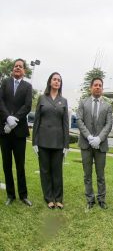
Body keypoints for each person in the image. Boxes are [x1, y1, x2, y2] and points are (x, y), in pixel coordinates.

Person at [32, 72, 69, 209]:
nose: (56, 82)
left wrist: (66, 145)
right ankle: (49, 198)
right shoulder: (42, 98)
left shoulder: (63, 101)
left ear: (60, 83)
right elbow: (36, 121)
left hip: (58, 142)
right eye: (54, 79)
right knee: (45, 171)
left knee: (57, 171)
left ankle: (58, 198)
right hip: (43, 141)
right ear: (50, 82)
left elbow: (66, 124)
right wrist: (34, 141)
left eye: (59, 80)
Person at [0, 59, 33, 206]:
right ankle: (10, 195)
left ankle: (23, 195)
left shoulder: (28, 86)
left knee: (20, 165)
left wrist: (15, 119)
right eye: (15, 66)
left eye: (20, 66)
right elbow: (0, 101)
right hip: (4, 131)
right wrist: (7, 118)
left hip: (19, 132)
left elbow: (27, 106)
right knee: (7, 164)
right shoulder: (5, 82)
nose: (17, 68)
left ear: (24, 70)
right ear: (12, 69)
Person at [77, 77, 113, 210]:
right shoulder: (83, 102)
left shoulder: (108, 105)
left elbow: (109, 124)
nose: (98, 87)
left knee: (100, 175)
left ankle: (101, 199)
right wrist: (89, 137)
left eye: (100, 85)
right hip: (86, 145)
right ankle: (90, 199)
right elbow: (79, 121)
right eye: (95, 85)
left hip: (101, 145)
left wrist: (99, 139)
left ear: (102, 88)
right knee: (87, 174)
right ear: (91, 87)